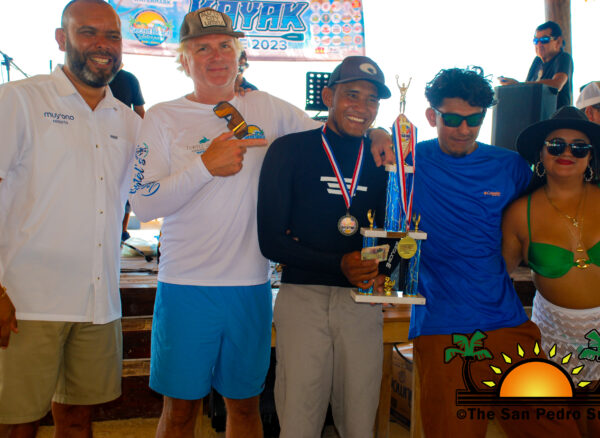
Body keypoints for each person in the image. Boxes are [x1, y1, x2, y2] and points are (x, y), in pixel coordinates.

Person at [128, 8, 392, 437]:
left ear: (239, 54)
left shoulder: (269, 108)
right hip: (186, 285)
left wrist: (377, 133)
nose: (216, 56)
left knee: (246, 408)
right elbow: (143, 202)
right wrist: (204, 166)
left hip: (250, 286)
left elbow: (333, 133)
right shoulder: (163, 116)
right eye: (202, 48)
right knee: (179, 412)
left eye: (225, 46)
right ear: (184, 59)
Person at [408, 67, 600, 437]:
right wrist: (378, 135)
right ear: (431, 116)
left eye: (474, 119)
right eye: (452, 119)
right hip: (443, 326)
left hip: (507, 321)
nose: (464, 129)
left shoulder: (509, 167)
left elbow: (559, 204)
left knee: (555, 431)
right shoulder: (407, 162)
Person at [0, 1, 141, 436]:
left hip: (98, 303)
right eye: (88, 32)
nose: (102, 45)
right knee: (17, 424)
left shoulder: (128, 121)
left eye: (112, 36)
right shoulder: (19, 100)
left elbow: (145, 196)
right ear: (62, 38)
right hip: (25, 302)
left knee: (79, 421)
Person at [503, 106, 600, 437]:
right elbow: (495, 277)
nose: (567, 153)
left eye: (579, 147)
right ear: (541, 153)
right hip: (555, 335)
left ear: (591, 156)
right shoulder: (519, 213)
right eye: (556, 145)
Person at [257, 55, 391, 438]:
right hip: (303, 297)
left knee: (360, 420)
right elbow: (270, 240)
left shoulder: (383, 159)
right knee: (298, 418)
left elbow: (393, 233)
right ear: (328, 96)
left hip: (361, 302)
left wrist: (380, 269)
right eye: (352, 95)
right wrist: (338, 264)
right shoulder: (289, 150)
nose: (362, 107)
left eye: (371, 99)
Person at [499, 21, 574, 109]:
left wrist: (519, 85)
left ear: (558, 42)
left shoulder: (563, 57)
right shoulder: (537, 61)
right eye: (536, 41)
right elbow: (526, 89)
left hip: (556, 115)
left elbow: (557, 84)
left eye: (544, 40)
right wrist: (513, 86)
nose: (539, 44)